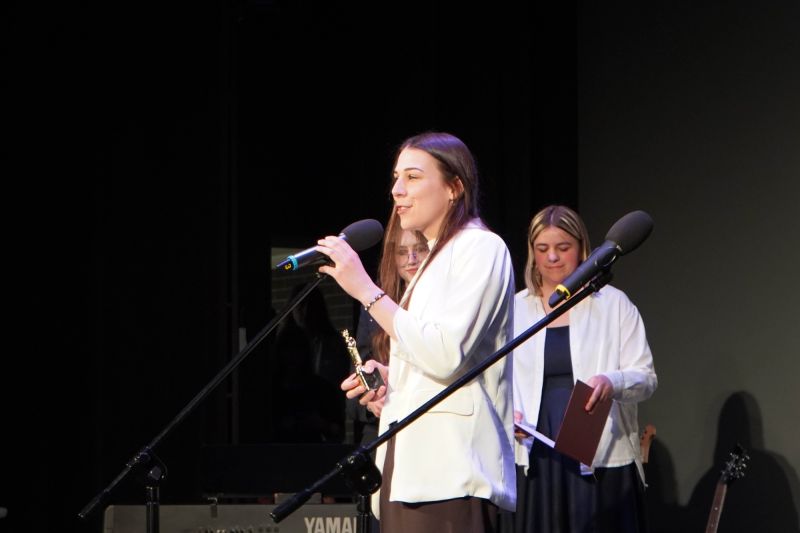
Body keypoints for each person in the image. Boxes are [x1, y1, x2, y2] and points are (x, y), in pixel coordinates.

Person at [316, 131, 517, 532]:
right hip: (407, 465)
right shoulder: (432, 262)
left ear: (454, 188)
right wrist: (393, 378)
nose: (397, 190)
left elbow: (445, 354)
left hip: (450, 468)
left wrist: (367, 291)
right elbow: (431, 354)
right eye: (396, 178)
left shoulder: (481, 248)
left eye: (412, 177)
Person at [511, 205, 657, 533]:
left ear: (582, 249)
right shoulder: (516, 309)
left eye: (563, 247)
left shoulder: (613, 304)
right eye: (542, 249)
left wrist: (611, 381)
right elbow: (496, 382)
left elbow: (646, 378)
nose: (552, 257)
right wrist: (510, 414)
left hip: (602, 456)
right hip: (538, 458)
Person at [347, 227, 430, 448]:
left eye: (420, 249)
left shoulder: (442, 303)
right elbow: (357, 375)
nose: (411, 259)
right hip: (382, 431)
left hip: (428, 427)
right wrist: (371, 400)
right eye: (402, 252)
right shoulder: (376, 305)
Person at [272, 284, 350, 443]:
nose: (306, 312)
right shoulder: (284, 342)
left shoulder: (333, 344)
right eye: (300, 306)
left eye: (310, 306)